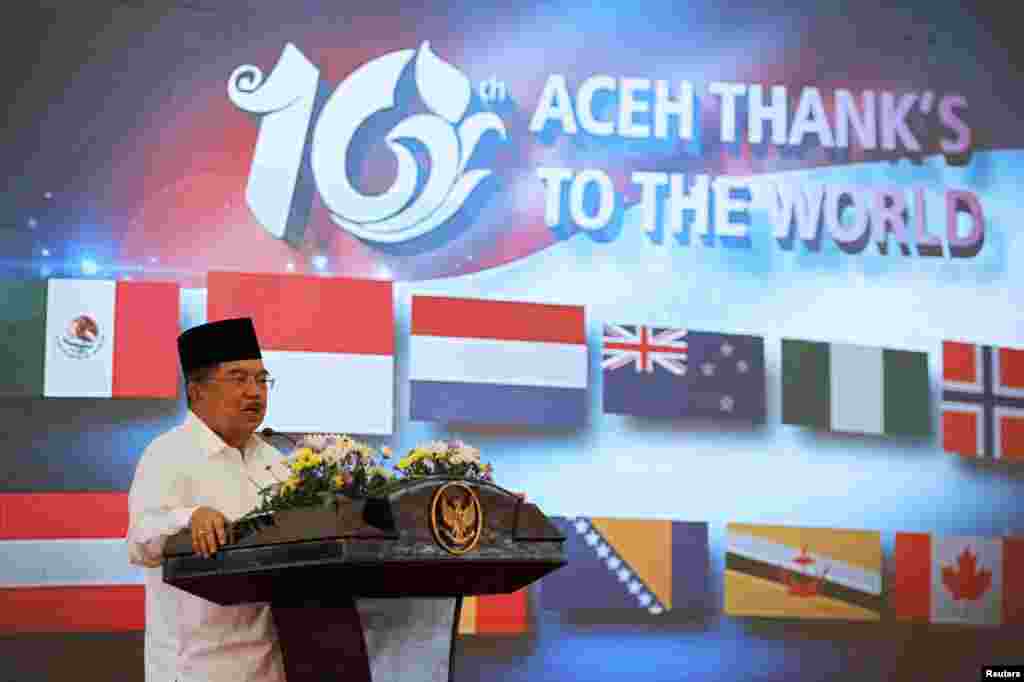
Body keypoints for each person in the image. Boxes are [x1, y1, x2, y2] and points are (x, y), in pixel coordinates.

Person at [126, 317, 290, 682]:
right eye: (239, 379)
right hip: (196, 668)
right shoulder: (169, 453)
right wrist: (189, 517)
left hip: (270, 666)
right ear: (197, 390)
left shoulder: (275, 462)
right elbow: (140, 540)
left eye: (262, 380)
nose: (255, 392)